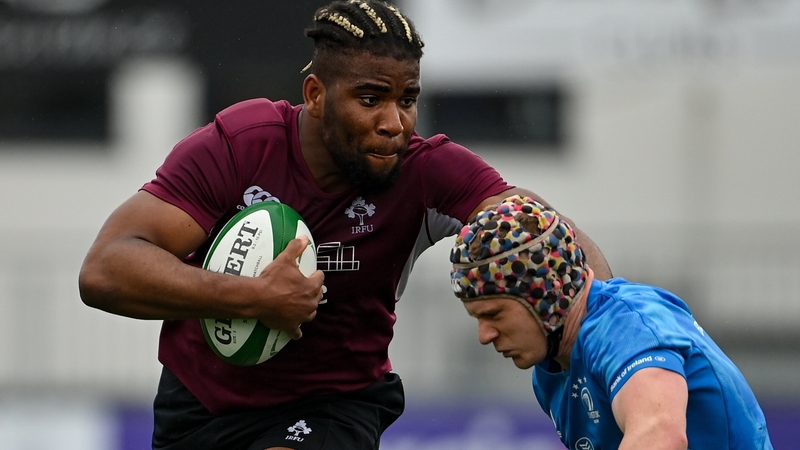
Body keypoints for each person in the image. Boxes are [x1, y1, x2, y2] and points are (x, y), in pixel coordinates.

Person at [78, 2, 612, 450]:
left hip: (335, 407)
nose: (394, 122)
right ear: (315, 95)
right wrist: (248, 297)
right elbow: (105, 269)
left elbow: (549, 232)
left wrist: (617, 323)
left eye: (408, 100)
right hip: (197, 402)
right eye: (370, 99)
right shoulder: (241, 147)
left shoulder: (427, 173)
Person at [450, 195, 773, 449]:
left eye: (494, 314)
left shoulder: (626, 326)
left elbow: (661, 436)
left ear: (544, 294)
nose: (484, 335)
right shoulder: (549, 370)